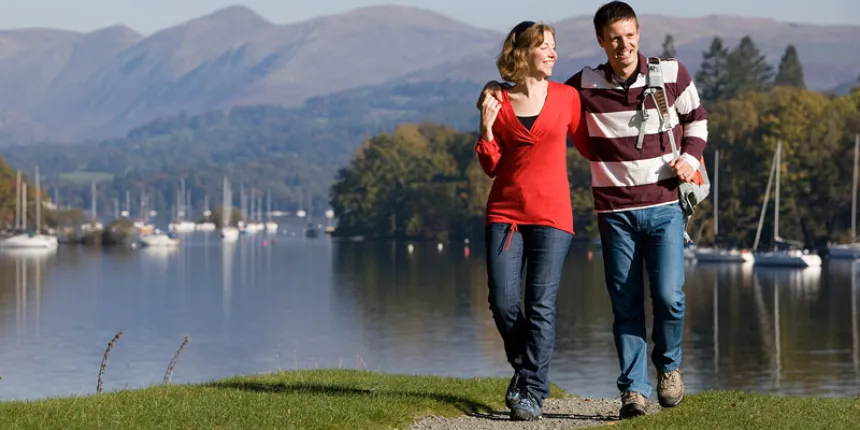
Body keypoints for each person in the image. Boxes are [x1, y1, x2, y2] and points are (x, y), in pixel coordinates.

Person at [477, 0, 708, 420]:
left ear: (639, 33)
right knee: (616, 305)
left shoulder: (661, 76)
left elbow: (696, 120)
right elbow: (522, 113)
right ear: (601, 41)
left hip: (648, 207)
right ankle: (628, 390)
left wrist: (689, 161)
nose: (624, 45)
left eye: (630, 36)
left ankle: (664, 368)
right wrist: (492, 103)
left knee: (669, 297)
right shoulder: (574, 87)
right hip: (604, 212)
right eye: (614, 38)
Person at [475, 20, 589, 421]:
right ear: (523, 54)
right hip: (505, 213)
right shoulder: (496, 100)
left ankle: (532, 391)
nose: (554, 53)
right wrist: (487, 127)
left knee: (541, 306)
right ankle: (530, 371)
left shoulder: (567, 98)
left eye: (555, 46)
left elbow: (591, 145)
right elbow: (491, 166)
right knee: (503, 303)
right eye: (545, 47)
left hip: (553, 216)